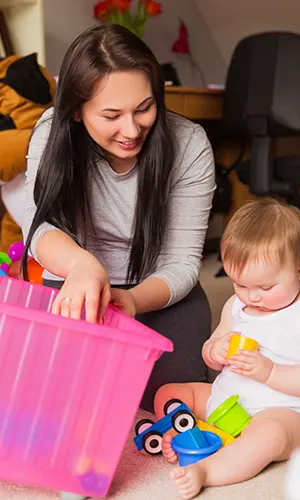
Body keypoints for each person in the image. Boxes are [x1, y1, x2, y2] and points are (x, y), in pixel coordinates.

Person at [21, 22, 215, 497]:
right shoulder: (51, 133)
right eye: (111, 114)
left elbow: (184, 264)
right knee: (50, 402)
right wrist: (84, 266)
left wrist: (129, 301)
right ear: (75, 112)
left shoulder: (188, 144)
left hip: (156, 295)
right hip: (76, 290)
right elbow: (40, 229)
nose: (131, 130)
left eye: (144, 108)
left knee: (172, 402)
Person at [154, 199, 300, 499]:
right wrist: (214, 350)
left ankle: (208, 469)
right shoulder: (237, 305)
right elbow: (211, 351)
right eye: (239, 284)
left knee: (267, 437)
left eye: (266, 287)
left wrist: (269, 372)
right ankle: (192, 433)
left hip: (283, 412)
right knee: (169, 394)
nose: (252, 296)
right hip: (228, 402)